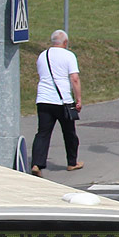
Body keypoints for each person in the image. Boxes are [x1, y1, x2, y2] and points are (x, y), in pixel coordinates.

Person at [30, 29, 83, 176]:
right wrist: (78, 99)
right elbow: (74, 79)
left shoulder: (43, 55)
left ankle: (36, 164)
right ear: (65, 42)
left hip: (43, 99)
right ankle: (72, 162)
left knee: (43, 133)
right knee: (69, 133)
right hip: (63, 101)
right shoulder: (69, 56)